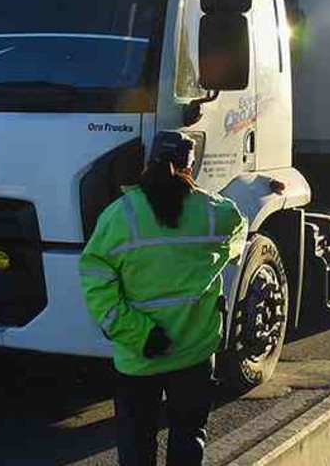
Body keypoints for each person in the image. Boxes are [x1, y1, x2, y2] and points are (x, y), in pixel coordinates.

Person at [79, 131, 247, 466]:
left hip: (139, 356)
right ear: (190, 165)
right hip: (194, 353)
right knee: (188, 436)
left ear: (149, 163)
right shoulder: (216, 213)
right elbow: (238, 238)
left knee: (136, 441)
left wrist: (139, 333)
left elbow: (95, 281)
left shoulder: (119, 215)